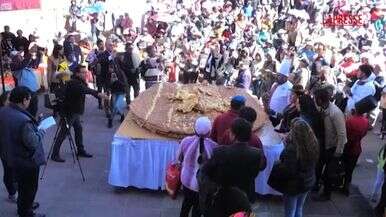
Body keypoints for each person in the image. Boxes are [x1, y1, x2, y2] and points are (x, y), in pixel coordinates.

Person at [0, 86, 46, 217]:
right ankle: (26, 211)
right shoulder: (23, 120)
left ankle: (24, 206)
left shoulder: (3, 111)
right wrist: (41, 132)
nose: (30, 102)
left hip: (11, 155)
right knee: (29, 188)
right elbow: (32, 143)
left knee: (22, 186)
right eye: (29, 99)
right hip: (26, 160)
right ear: (24, 100)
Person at [202, 118, 266, 202]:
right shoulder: (257, 153)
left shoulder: (220, 151)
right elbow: (262, 167)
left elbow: (206, 170)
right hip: (245, 195)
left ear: (234, 135)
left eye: (230, 132)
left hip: (224, 195)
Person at [51, 65, 104, 162]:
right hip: (69, 111)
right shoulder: (74, 83)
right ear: (77, 73)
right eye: (83, 72)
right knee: (64, 132)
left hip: (74, 111)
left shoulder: (78, 81)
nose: (85, 74)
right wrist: (98, 94)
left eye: (85, 72)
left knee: (78, 129)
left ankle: (80, 150)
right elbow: (85, 90)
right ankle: (54, 154)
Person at [177, 117, 217, 217]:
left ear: (194, 129)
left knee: (186, 203)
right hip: (203, 184)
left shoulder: (185, 141)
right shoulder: (214, 146)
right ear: (209, 132)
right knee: (198, 207)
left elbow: (179, 159)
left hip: (186, 180)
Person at [279, 118, 319, 217]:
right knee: (299, 208)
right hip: (307, 181)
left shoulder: (292, 149)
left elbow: (288, 170)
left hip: (293, 185)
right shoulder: (313, 143)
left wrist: (285, 146)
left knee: (290, 212)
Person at [313, 87, 347, 201]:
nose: (314, 100)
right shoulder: (323, 108)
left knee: (329, 173)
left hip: (333, 147)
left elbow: (342, 134)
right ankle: (315, 187)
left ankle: (326, 195)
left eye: (315, 98)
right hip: (325, 145)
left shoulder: (335, 113)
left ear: (320, 100)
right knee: (318, 167)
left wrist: (339, 151)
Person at [341, 101, 370, 196]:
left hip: (347, 147)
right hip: (357, 149)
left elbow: (345, 135)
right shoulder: (366, 121)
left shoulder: (350, 121)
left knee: (342, 167)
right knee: (350, 170)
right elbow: (365, 133)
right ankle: (346, 187)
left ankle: (340, 183)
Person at [268, 59, 293, 126]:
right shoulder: (275, 84)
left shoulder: (290, 88)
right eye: (277, 75)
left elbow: (290, 105)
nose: (277, 77)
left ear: (285, 78)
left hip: (278, 118)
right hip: (269, 114)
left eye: (279, 75)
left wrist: (278, 114)